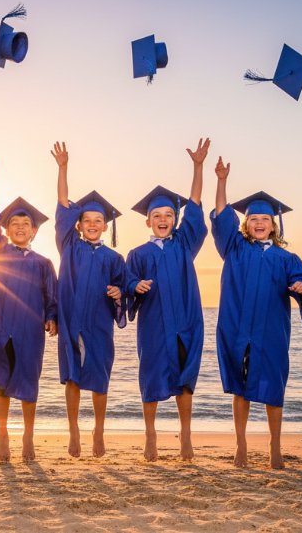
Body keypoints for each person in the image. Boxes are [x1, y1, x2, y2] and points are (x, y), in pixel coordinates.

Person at [210, 156, 302, 469]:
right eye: (253, 219)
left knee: (273, 388)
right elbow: (220, 216)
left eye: (265, 220)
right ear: (245, 223)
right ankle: (240, 446)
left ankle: (275, 446)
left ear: (274, 224)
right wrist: (222, 181)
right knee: (241, 389)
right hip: (238, 328)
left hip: (271, 331)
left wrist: (301, 288)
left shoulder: (287, 258)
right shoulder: (234, 248)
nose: (258, 223)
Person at [124, 138, 210, 462]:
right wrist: (136, 286)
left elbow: (196, 205)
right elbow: (127, 281)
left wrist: (198, 167)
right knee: (151, 377)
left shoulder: (184, 244)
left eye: (169, 214)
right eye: (157, 215)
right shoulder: (138, 253)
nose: (163, 219)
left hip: (186, 322)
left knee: (184, 378)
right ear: (147, 220)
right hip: (154, 325)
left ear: (175, 218)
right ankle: (150, 434)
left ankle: (185, 435)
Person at [0, 148, 58, 462]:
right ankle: (2, 436)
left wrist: (51, 317)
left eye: (26, 225)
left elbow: (52, 296)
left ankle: (28, 437)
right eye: (15, 224)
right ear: (6, 230)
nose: (21, 228)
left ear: (34, 231)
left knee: (28, 382)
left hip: (29, 331)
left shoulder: (43, 263)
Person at [51, 141, 126, 458]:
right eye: (87, 221)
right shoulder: (69, 246)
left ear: (105, 227)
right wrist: (63, 168)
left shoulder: (114, 257)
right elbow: (63, 205)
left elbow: (123, 289)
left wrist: (119, 294)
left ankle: (98, 430)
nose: (93, 225)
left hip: (99, 324)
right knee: (73, 378)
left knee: (100, 378)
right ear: (78, 226)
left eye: (98, 222)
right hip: (72, 321)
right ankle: (74, 432)